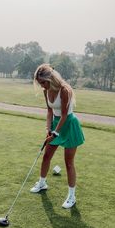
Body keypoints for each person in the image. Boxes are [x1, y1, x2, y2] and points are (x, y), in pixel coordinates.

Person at [30, 64, 85, 208]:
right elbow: (49, 111)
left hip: (69, 125)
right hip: (55, 123)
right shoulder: (46, 91)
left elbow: (65, 115)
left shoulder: (65, 90)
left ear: (50, 78)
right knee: (46, 156)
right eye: (39, 83)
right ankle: (42, 183)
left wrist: (55, 133)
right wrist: (48, 128)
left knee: (68, 162)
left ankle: (71, 197)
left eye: (43, 82)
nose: (42, 85)